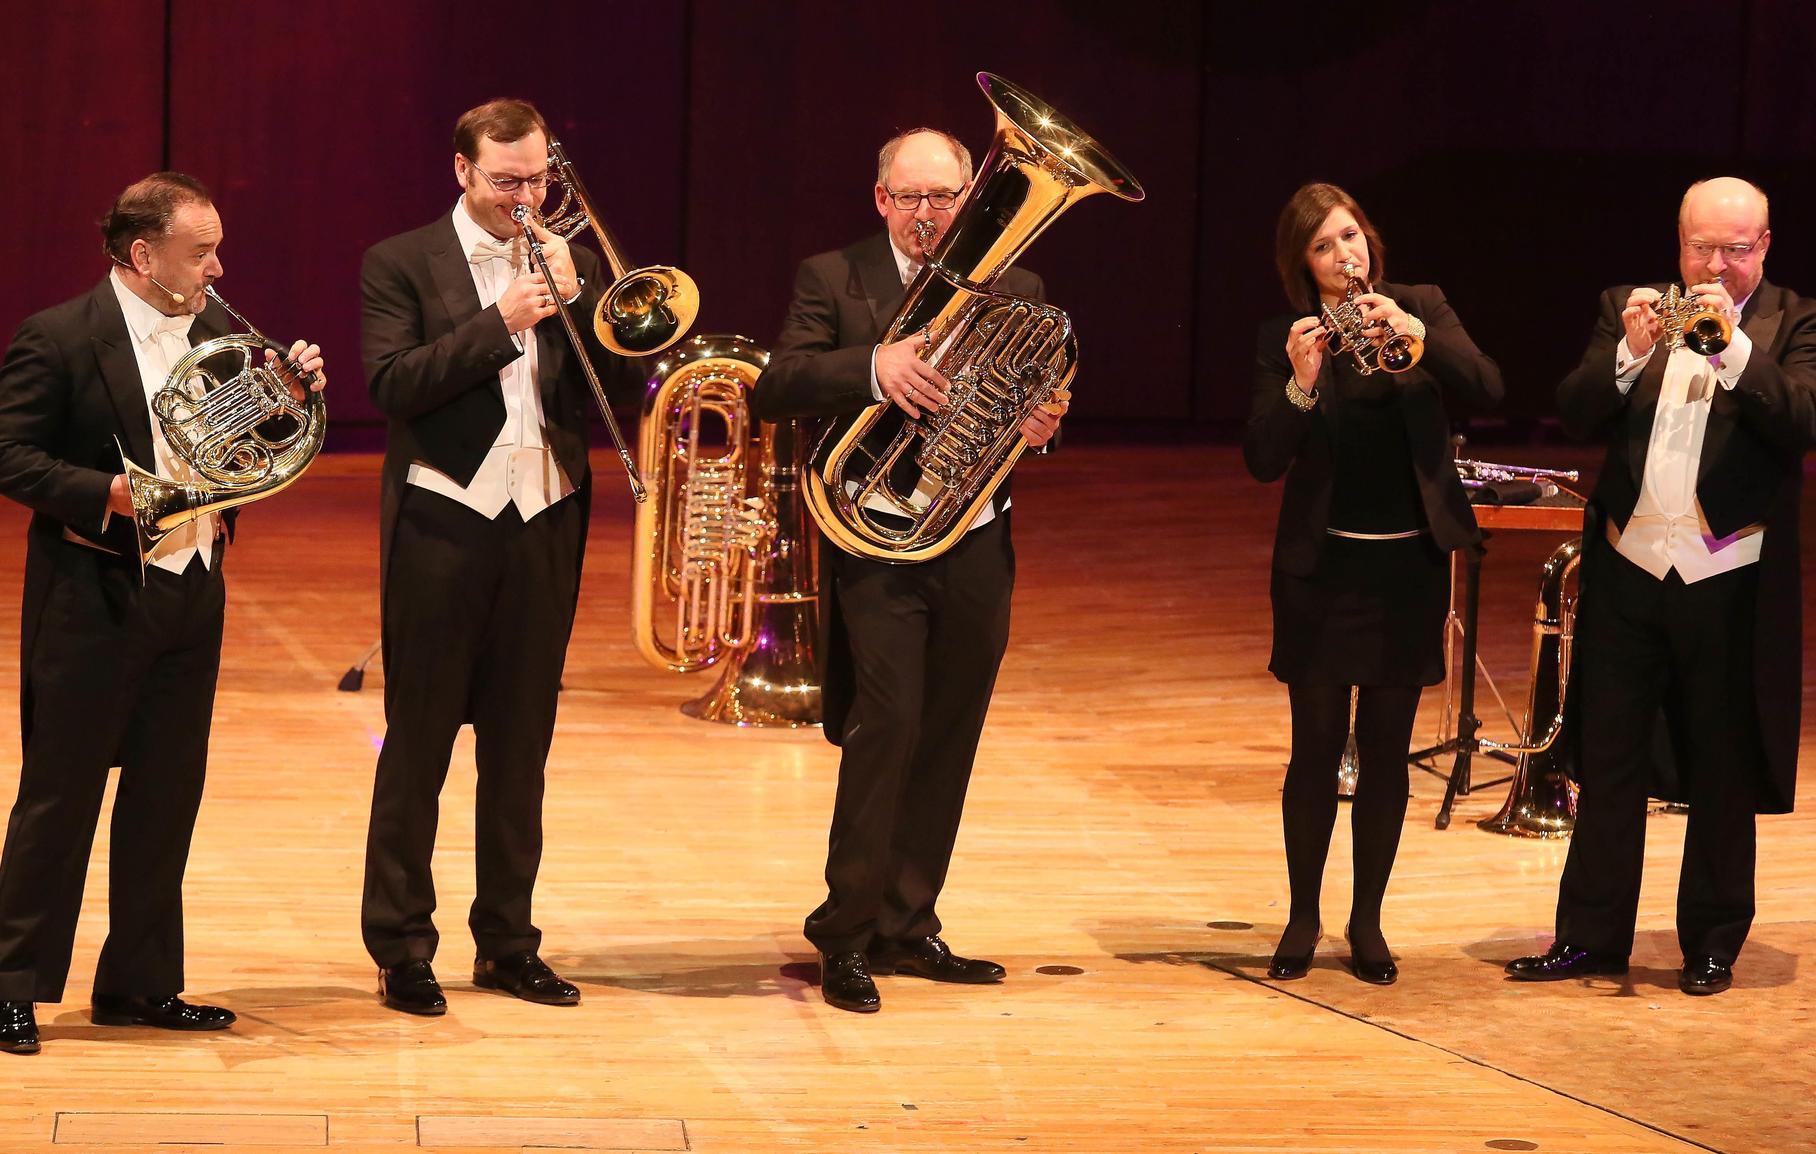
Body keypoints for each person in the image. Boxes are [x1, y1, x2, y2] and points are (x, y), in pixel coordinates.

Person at [0, 172, 326, 1055]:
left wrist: (289, 400)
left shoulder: (223, 334)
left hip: (190, 590)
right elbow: (11, 455)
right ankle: (12, 984)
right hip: (91, 594)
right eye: (201, 251)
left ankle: (140, 984)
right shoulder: (62, 336)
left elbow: (242, 455)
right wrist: (107, 493)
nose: (219, 267)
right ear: (142, 255)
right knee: (60, 797)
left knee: (166, 793)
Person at [751, 127, 1063, 1013]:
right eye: (910, 198)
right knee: (885, 729)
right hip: (876, 540)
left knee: (950, 733)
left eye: (944, 198)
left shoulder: (1019, 282)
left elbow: (1026, 401)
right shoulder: (834, 277)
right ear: (881, 200)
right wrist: (873, 366)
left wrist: (1037, 428)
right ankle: (845, 932)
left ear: (971, 198)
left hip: (976, 539)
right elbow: (780, 384)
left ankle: (908, 921)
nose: (927, 215)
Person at [1507, 177, 1816, 996]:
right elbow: (1575, 413)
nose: (1715, 265)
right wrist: (1630, 355)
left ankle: (1711, 943)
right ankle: (1589, 937)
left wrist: (1731, 346)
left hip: (1726, 576)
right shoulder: (1629, 306)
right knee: (1607, 762)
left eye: (1735, 250)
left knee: (1720, 766)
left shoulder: (1794, 320)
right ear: (1678, 243)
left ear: (1765, 247)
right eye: (1700, 248)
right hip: (1630, 570)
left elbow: (1800, 420)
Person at [358, 98, 633, 1015]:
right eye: (508, 180)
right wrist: (503, 320)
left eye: (540, 179)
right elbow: (392, 385)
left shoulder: (573, 260)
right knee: (421, 748)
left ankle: (509, 944)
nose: (527, 197)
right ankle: (402, 947)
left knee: (521, 751)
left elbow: (614, 385)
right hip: (443, 523)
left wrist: (592, 303)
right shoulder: (400, 262)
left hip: (544, 520)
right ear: (463, 171)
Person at [1245, 181, 1503, 986]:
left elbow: (1489, 388)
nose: (1342, 257)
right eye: (1323, 247)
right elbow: (1262, 459)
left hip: (1407, 571)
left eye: (1349, 238)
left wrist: (1422, 340)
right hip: (1323, 573)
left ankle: (1366, 923)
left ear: (1369, 242)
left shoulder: (1418, 306)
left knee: (1387, 753)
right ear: (1304, 266)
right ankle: (1300, 917)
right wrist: (1297, 382)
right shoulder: (1288, 334)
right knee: (1315, 749)